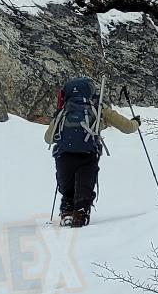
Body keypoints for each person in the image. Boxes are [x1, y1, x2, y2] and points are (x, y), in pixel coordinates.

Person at [44, 76, 139, 227]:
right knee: (85, 185)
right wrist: (136, 123)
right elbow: (127, 127)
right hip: (88, 153)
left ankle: (67, 212)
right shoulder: (98, 105)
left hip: (64, 154)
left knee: (67, 188)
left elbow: (48, 139)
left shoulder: (65, 108)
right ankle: (80, 214)